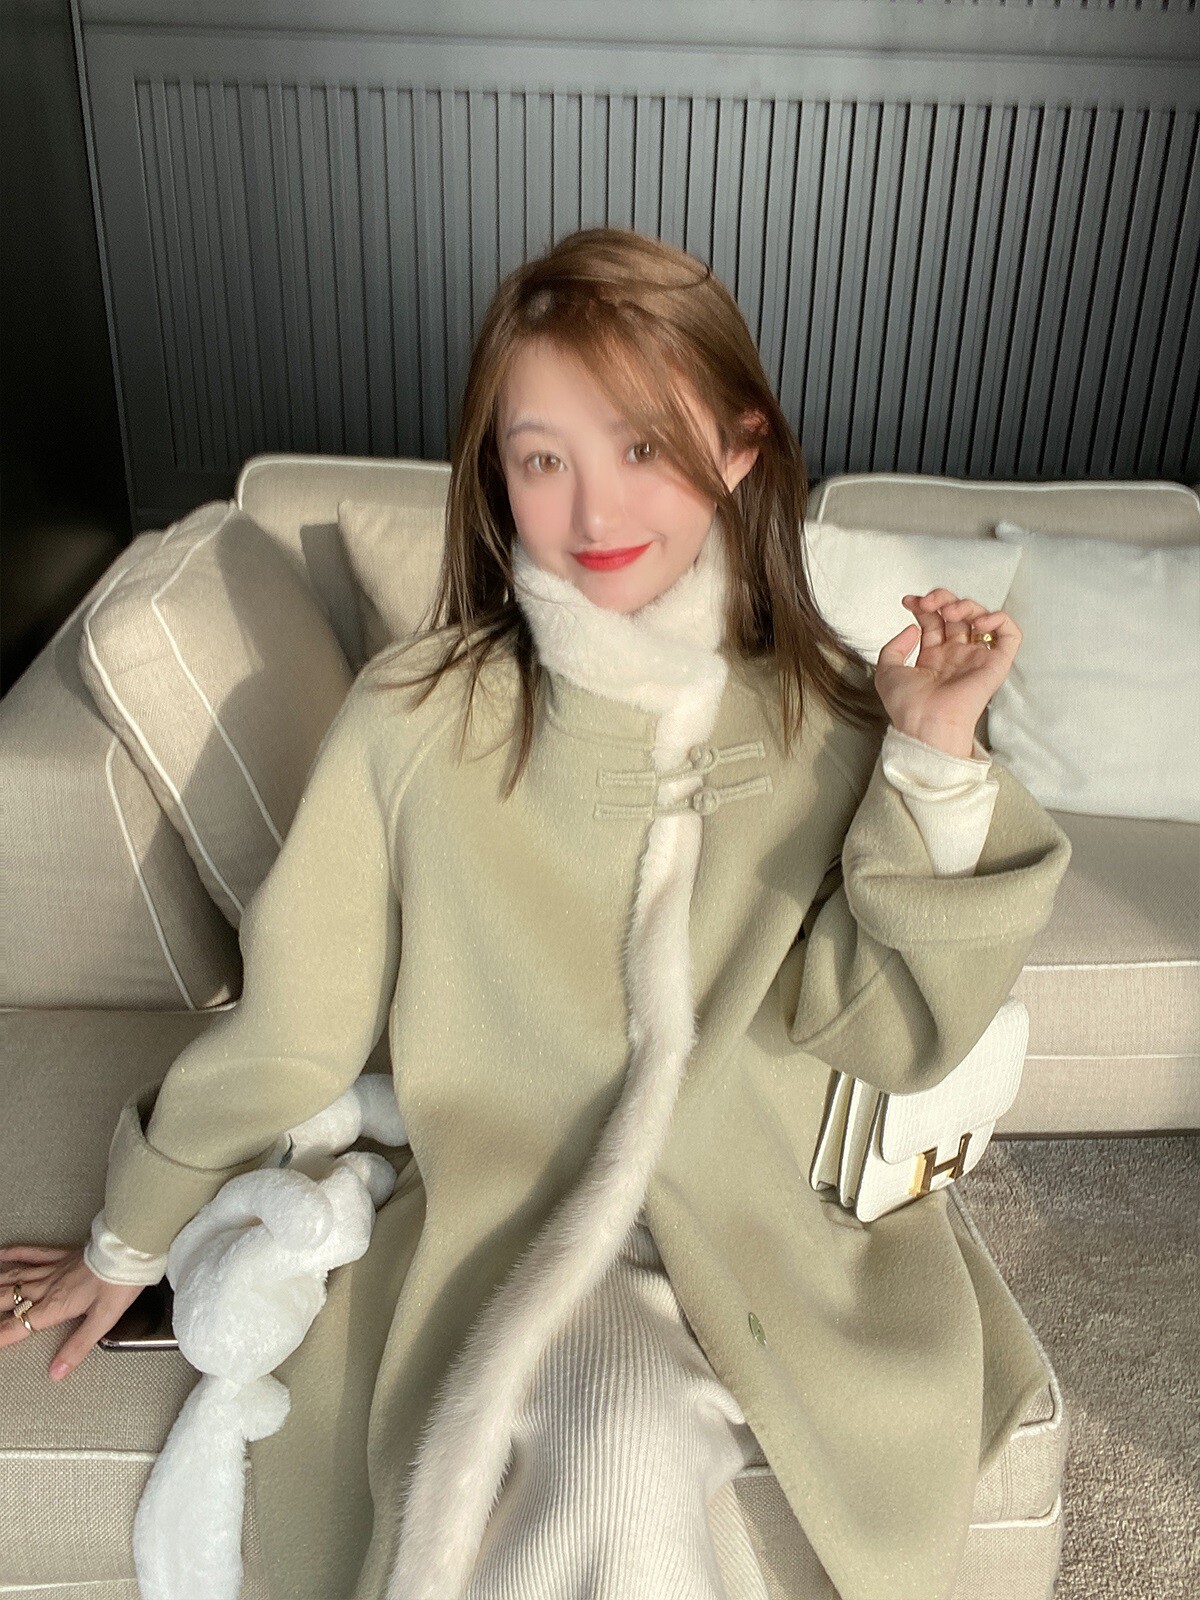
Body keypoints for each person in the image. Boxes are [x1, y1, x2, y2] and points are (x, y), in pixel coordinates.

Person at [1, 226, 1071, 1600]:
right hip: (516, 1217)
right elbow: (297, 1030)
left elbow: (885, 1033)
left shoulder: (828, 719)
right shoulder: (418, 717)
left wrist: (930, 757)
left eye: (643, 445)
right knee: (611, 1459)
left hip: (770, 1234)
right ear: (493, 471)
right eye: (541, 456)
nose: (592, 506)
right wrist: (131, 1234)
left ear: (739, 448)